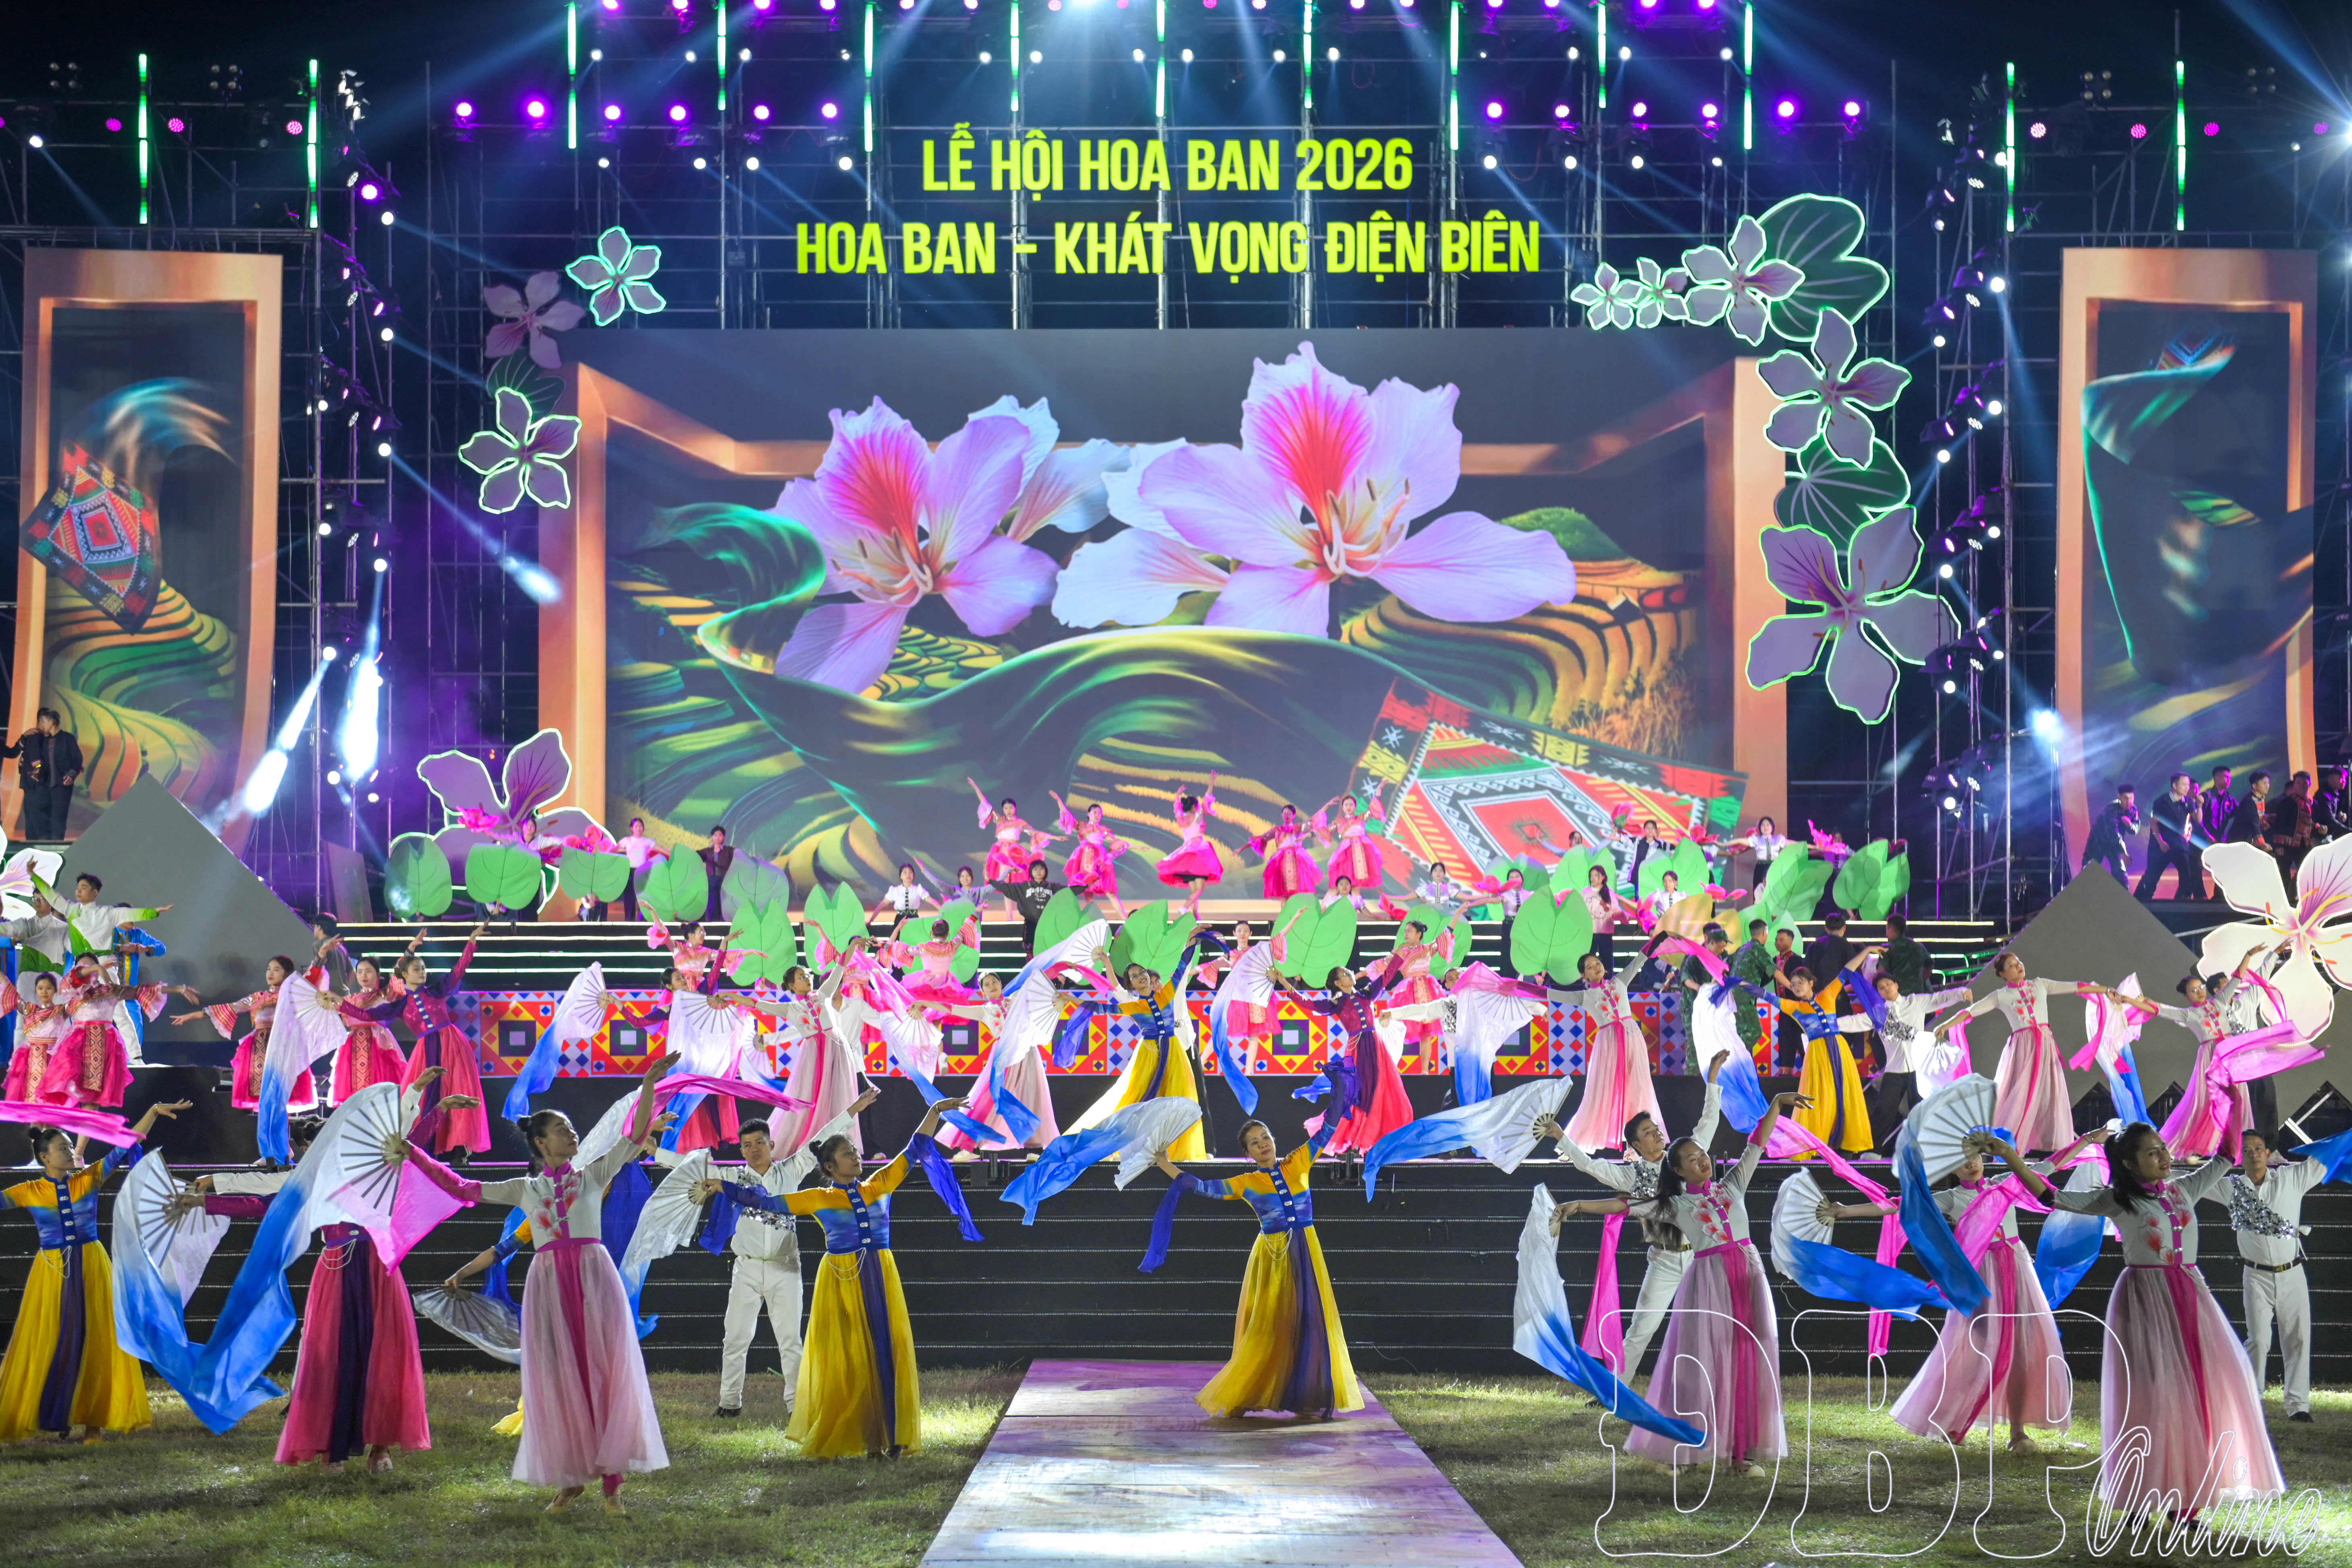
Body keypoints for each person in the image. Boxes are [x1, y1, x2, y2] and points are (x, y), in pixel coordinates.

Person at [405, 1052, 680, 1510]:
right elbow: (461, 1188)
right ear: (540, 1142)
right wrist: (414, 1152)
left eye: (572, 1129)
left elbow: (633, 1137)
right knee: (558, 1375)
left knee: (603, 1367)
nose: (572, 1134)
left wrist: (650, 1083)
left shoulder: (593, 1175)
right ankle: (571, 1476)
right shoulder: (525, 1189)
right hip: (550, 1285)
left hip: (595, 1278)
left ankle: (612, 1482)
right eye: (562, 1129)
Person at [181, 1088, 478, 1471]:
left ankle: (381, 1447)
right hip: (336, 1269)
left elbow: (410, 1148)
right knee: (330, 1357)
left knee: (383, 1352)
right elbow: (264, 1203)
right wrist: (208, 1200)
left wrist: (437, 1109)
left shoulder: (372, 1167)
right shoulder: (312, 1179)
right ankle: (330, 1446)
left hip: (377, 1268)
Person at [1561, 1090, 1809, 1474]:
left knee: (1748, 1358)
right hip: (1709, 1280)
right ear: (1678, 1171)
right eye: (1692, 1159)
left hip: (1748, 1277)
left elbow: (1756, 1145)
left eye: (1702, 1154)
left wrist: (1776, 1103)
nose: (1702, 1160)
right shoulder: (1676, 1206)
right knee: (1703, 1361)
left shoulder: (1732, 1185)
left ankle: (1741, 1452)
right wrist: (1579, 1206)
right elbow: (1625, 1205)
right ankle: (1685, 1448)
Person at [2045, 1122, 2285, 1511]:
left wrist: (2230, 1095)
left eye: (2162, 1148)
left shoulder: (2183, 1188)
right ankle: (2141, 1494)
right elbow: (2050, 1196)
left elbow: (2227, 1155)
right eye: (2152, 1152)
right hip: (2145, 1299)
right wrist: (2008, 1158)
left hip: (2190, 1294)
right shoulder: (2118, 1200)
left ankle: (2186, 1495)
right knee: (2152, 1394)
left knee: (2203, 1385)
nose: (2163, 1156)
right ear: (2129, 1163)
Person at [724, 1094, 972, 1458]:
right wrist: (722, 1186)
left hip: (881, 1276)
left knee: (886, 1349)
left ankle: (892, 1433)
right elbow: (765, 1203)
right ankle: (865, 1435)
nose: (856, 1156)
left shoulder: (879, 1184)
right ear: (830, 1165)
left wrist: (934, 1111)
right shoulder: (819, 1198)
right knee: (852, 1357)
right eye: (847, 1153)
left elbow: (916, 1148)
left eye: (855, 1151)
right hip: (841, 1281)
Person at [1888, 1127, 2105, 1450]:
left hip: (2017, 1270)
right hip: (1982, 1276)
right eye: (1961, 1160)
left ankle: (2018, 1432)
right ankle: (1955, 1421)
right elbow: (1899, 1205)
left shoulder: (2004, 1181)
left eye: (1975, 1156)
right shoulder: (1952, 1198)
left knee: (2022, 1351)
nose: (1971, 1163)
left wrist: (2085, 1140)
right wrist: (1845, 1211)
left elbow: (2050, 1165)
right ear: (1950, 1168)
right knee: (1976, 1350)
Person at [0, 1098, 191, 1442]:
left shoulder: (88, 1178)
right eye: (62, 1148)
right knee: (50, 1339)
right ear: (45, 1157)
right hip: (52, 1271)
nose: (70, 1151)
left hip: (92, 1265)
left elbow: (126, 1144)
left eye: (70, 1145)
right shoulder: (29, 1191)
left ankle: (94, 1423)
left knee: (97, 1337)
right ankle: (54, 1413)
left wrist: (152, 1112)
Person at [1534, 1049, 1727, 1382]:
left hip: (1701, 1257)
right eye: (1648, 1132)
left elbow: (1708, 1122)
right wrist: (1562, 1138)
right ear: (1636, 1145)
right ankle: (1615, 1392)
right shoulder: (1632, 1176)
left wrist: (1712, 1080)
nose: (1657, 1133)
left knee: (1713, 1325)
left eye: (1656, 1129)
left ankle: (1719, 1387)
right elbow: (1590, 1166)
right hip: (1665, 1260)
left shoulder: (1683, 1157)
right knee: (1641, 1329)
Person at [1150, 1115, 1360, 1420]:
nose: (1262, 1144)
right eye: (1254, 1142)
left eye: (1265, 1137)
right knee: (1270, 1326)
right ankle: (1245, 1394)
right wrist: (1164, 1163)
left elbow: (1329, 1128)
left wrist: (1341, 1089)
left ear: (1273, 1140)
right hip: (1274, 1256)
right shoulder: (1247, 1182)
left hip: (1308, 1252)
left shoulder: (1299, 1161)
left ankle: (1308, 1396)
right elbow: (1201, 1186)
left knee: (1311, 1323)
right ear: (1248, 1153)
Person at [695, 1089, 876, 1420]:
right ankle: (729, 1402)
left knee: (790, 1340)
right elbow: (691, 1167)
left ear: (772, 1144)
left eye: (759, 1143)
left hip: (786, 1267)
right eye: (747, 1145)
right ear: (741, 1150)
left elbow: (821, 1138)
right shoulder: (732, 1177)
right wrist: (654, 1150)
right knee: (735, 1338)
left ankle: (797, 1405)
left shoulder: (790, 1171)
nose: (754, 1149)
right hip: (747, 1268)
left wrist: (853, 1110)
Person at [2203, 1130, 2323, 1423]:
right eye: (2247, 1150)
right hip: (2255, 1275)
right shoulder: (2231, 1188)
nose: (2254, 1153)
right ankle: (2252, 1401)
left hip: (2292, 1272)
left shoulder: (2291, 1178)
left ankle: (2298, 1406)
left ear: (2268, 1153)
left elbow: (2324, 1160)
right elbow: (2193, 1183)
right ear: (2239, 1157)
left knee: (2298, 1338)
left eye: (2259, 1148)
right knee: (2257, 1339)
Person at [1941, 954, 2115, 1154]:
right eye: (2012, 966)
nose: (2019, 966)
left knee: (2050, 1094)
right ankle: (2005, 1144)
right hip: (2023, 1050)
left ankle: (2049, 1148)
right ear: (2003, 974)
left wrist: (2107, 990)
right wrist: (1945, 1025)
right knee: (2019, 1095)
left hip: (2046, 1046)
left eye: (2019, 963)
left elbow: (2077, 987)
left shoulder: (2040, 985)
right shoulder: (2001, 996)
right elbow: (1971, 1011)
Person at [348, 924, 491, 1158]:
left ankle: (459, 1147)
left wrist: (472, 942)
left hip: (451, 1043)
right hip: (426, 1048)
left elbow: (459, 969)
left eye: (424, 968)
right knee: (424, 1095)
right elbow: (365, 1014)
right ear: (405, 974)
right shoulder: (401, 1004)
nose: (422, 972)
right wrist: (338, 1004)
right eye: (417, 969)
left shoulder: (436, 991)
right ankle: (427, 1146)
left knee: (455, 1087)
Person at [1274, 964, 1409, 1156]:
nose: (1350, 973)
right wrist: (1284, 982)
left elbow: (1387, 976)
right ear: (1338, 983)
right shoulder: (1338, 1004)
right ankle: (1353, 1143)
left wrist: (1400, 955)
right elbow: (1308, 1004)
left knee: (1378, 1093)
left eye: (1349, 971)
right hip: (1357, 1051)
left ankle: (1369, 1142)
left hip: (1376, 1049)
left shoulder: (1367, 994)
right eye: (1345, 974)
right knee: (1358, 1095)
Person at [1548, 943, 1665, 1151]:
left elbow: (1641, 958)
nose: (1596, 967)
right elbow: (1549, 994)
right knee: (1600, 1096)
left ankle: (1634, 1148)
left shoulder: (1620, 981)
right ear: (1584, 975)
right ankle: (1573, 1145)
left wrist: (1659, 939)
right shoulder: (1585, 997)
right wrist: (1515, 987)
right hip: (1609, 1046)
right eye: (1590, 967)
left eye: (1597, 963)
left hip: (1632, 1040)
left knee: (1638, 1091)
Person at [934, 974, 1063, 1153]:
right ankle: (970, 1146)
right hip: (1005, 1055)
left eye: (995, 982)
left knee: (1032, 1096)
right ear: (983, 991)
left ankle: (1034, 1149)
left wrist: (1058, 977)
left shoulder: (1016, 999)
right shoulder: (985, 1011)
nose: (992, 986)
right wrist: (925, 1004)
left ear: (1001, 984)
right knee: (989, 1098)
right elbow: (952, 1009)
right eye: (987, 985)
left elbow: (1037, 985)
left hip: (1027, 1052)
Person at [1754, 962, 1875, 1153]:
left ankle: (1846, 1143)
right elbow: (1766, 995)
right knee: (1820, 1096)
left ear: (1811, 983)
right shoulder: (1794, 1007)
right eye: (1793, 985)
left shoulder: (1828, 995)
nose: (1796, 987)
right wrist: (1739, 983)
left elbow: (1846, 971)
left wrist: (1868, 949)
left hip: (1840, 1050)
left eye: (1801, 982)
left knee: (1846, 1093)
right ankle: (1813, 1144)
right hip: (1818, 1054)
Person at [43, 955, 191, 1109]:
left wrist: (179, 989)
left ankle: (89, 1123)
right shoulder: (73, 993)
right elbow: (73, 979)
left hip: (102, 1048)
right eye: (82, 968)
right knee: (72, 1096)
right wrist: (98, 967)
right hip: (77, 1049)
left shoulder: (110, 991)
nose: (86, 972)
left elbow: (141, 990)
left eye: (90, 968)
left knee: (93, 1100)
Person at [1844, 968, 1973, 1145]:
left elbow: (1938, 998)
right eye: (1881, 988)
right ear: (1878, 993)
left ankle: (1925, 1148)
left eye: (1889, 984)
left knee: (1921, 1111)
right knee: (1883, 1110)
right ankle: (1872, 1151)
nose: (1886, 989)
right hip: (1894, 1070)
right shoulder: (1878, 1014)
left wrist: (1961, 992)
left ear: (1897, 985)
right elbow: (1855, 1021)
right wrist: (1828, 1024)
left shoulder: (1915, 1002)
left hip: (1919, 1069)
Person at [182, 956, 314, 1118]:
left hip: (282, 1048)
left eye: (276, 970)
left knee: (281, 1098)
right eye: (269, 969)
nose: (271, 973)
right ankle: (264, 1133)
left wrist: (320, 957)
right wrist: (194, 1015)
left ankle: (282, 1133)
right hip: (259, 1051)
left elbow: (311, 982)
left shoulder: (292, 996)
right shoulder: (257, 998)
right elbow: (231, 1008)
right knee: (264, 1100)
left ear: (287, 974)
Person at [971, 784, 1055, 920]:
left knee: (1018, 885)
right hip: (1000, 854)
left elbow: (1035, 833)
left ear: (1015, 808)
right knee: (1005, 886)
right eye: (1006, 808)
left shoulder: (1020, 823)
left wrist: (1055, 837)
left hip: (1015, 854)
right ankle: (1009, 918)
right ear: (1003, 810)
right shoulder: (1000, 820)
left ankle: (1029, 913)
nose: (1009, 811)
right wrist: (976, 787)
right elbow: (986, 804)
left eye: (1011, 808)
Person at [4, 708, 82, 841]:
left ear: (51, 723)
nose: (40, 725)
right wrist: (28, 761)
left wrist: (72, 773)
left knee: (56, 819)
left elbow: (77, 758)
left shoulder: (66, 738)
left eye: (42, 721)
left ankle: (54, 846)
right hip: (41, 785)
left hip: (59, 786)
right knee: (37, 819)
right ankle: (39, 845)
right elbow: (24, 755)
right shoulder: (38, 737)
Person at [1153, 777, 1223, 920]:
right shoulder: (1197, 816)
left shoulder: (1181, 817)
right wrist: (1211, 783)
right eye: (1197, 806)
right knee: (1200, 889)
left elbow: (1178, 809)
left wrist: (1178, 795)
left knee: (1194, 890)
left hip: (1186, 854)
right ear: (1194, 807)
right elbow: (1206, 801)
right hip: (1199, 854)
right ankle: (1185, 907)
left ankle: (1196, 916)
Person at [1052, 793, 1129, 917]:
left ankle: (1125, 919)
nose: (1098, 815)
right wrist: (1059, 801)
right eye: (1095, 812)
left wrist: (1128, 846)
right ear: (1089, 814)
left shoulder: (1103, 830)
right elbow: (1068, 815)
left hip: (1099, 861)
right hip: (1085, 860)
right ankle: (1091, 919)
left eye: (1100, 813)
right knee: (1088, 892)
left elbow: (1117, 843)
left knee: (1110, 892)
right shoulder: (1082, 826)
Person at [0, 973, 69, 1102]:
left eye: (49, 988)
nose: (44, 992)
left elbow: (78, 1001)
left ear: (55, 990)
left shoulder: (62, 1010)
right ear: (36, 990)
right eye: (40, 988)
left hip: (53, 1058)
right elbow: (11, 992)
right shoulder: (29, 1009)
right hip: (31, 1059)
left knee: (50, 1099)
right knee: (30, 1096)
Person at [2138, 773, 2204, 901]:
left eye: (2188, 785)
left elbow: (2198, 819)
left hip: (2180, 844)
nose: (2187, 788)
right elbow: (2154, 823)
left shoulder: (2188, 801)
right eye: (2184, 785)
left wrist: (2200, 806)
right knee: (2152, 875)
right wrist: (2161, 842)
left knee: (2187, 874)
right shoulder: (2162, 802)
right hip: (2161, 845)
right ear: (2175, 785)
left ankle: (2182, 901)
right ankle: (2141, 900)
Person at [1318, 791, 1387, 894]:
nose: (1349, 807)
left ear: (1355, 807)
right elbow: (1323, 831)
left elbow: (1373, 809)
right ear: (1343, 807)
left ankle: (1355, 904)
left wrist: (1379, 791)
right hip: (1346, 855)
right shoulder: (1339, 822)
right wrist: (1326, 807)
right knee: (1340, 887)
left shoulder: (1361, 818)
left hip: (1361, 853)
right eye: (1346, 805)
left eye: (1351, 805)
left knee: (1356, 887)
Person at [1249, 804, 1321, 902]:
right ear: (1282, 815)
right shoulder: (1277, 830)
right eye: (1284, 813)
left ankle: (1296, 911)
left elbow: (1313, 820)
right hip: (1282, 861)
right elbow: (1261, 839)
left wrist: (1326, 806)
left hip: (1297, 860)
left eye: (1289, 814)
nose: (1286, 816)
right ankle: (1285, 912)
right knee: (1283, 894)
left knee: (1297, 893)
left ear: (1294, 816)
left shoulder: (1299, 828)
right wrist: (1242, 848)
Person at [990, 860, 1064, 956]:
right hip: (1031, 925)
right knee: (1031, 953)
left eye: (1042, 869)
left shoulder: (1052, 887)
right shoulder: (1024, 887)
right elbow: (1004, 886)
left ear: (1046, 871)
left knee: (1049, 951)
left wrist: (1083, 886)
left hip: (1049, 924)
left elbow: (1069, 891)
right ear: (1031, 872)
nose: (1039, 872)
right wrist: (993, 879)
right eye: (1036, 869)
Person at [606, 818, 664, 922]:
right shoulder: (627, 840)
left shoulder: (648, 841)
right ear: (632, 828)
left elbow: (662, 850)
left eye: (641, 826)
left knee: (644, 898)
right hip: (630, 872)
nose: (639, 829)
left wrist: (672, 854)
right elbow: (613, 850)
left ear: (644, 828)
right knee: (630, 899)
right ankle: (630, 923)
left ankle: (643, 922)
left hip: (643, 872)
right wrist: (624, 850)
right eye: (636, 826)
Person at [1579, 863, 1635, 968]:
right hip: (1589, 934)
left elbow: (1616, 912)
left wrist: (1628, 917)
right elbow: (1581, 911)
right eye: (1591, 876)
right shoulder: (1585, 892)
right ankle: (1589, 978)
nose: (1593, 878)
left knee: (1607, 962)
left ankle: (1608, 978)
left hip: (1606, 933)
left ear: (1603, 877)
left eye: (1596, 875)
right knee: (1588, 961)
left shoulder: (1609, 893)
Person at [2083, 783, 2140, 882]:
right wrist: (2123, 852)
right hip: (2098, 843)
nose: (2129, 802)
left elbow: (2135, 828)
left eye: (2131, 798)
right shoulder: (2110, 810)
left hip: (2115, 846)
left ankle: (2121, 892)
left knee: (2121, 876)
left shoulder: (2133, 810)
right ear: (2119, 798)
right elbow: (2113, 833)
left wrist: (2130, 825)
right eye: (2126, 798)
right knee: (2089, 873)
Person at [2270, 772, 2317, 880]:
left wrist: (2320, 829)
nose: (2302, 786)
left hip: (2305, 844)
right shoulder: (2286, 803)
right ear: (2294, 785)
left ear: (2310, 785)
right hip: (2287, 845)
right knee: (2284, 874)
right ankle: (2287, 891)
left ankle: (2297, 890)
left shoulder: (2313, 804)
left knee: (2306, 873)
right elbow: (2279, 824)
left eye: (2305, 783)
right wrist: (2278, 846)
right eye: (2298, 783)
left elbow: (2315, 823)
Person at [1877, 913, 1931, 994]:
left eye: (1887, 929)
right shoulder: (1918, 946)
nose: (1886, 934)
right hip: (1918, 995)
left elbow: (1881, 973)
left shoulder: (1887, 948)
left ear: (1891, 929)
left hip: (1897, 995)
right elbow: (1930, 966)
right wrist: (1920, 981)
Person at [871, 862, 938, 927]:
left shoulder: (918, 890)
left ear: (913, 876)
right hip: (900, 921)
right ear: (901, 876)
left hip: (914, 921)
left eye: (910, 873)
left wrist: (942, 911)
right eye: (905, 873)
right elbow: (882, 905)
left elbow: (933, 901)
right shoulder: (895, 891)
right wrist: (871, 920)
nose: (908, 875)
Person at [2225, 770, 2273, 852]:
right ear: (2255, 786)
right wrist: (2262, 844)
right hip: (2238, 841)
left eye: (2268, 783)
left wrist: (2264, 821)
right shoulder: (2249, 801)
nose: (2268, 786)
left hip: (2248, 840)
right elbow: (2254, 821)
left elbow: (2258, 817)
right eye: (2264, 783)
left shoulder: (2260, 798)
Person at [697, 826, 735, 923]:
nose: (718, 837)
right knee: (713, 903)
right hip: (712, 881)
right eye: (715, 835)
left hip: (725, 880)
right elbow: (695, 855)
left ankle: (725, 923)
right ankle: (712, 924)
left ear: (724, 837)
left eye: (720, 835)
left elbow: (739, 857)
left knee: (724, 902)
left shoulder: (729, 851)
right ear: (712, 837)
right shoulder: (707, 851)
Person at [2198, 765, 2237, 852]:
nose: (2229, 780)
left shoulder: (2229, 799)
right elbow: (2197, 820)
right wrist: (2207, 836)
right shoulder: (2206, 796)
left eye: (2230, 778)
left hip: (2222, 842)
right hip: (2205, 842)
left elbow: (2241, 812)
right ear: (2217, 778)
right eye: (2226, 777)